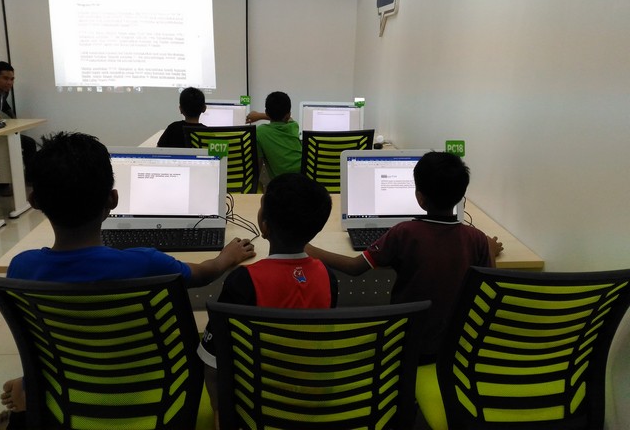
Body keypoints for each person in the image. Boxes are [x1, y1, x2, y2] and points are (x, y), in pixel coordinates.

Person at [0, 131, 256, 429]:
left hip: (68, 398)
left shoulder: (22, 268)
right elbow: (202, 274)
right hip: (163, 400)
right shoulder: (146, 263)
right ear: (113, 199)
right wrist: (226, 258)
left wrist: (29, 381)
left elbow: (40, 347)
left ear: (34, 201)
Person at [306, 151, 503, 364]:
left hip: (406, 344)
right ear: (461, 196)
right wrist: (489, 249)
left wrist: (310, 249)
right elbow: (490, 282)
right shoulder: (477, 239)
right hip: (454, 350)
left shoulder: (404, 232)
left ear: (420, 198)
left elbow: (355, 267)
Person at [198, 172, 337, 429]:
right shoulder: (328, 277)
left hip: (258, 402)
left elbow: (212, 363)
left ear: (264, 226)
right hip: (310, 398)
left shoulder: (243, 281)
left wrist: (220, 413)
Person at [0, 61, 37, 196]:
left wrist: (15, 118)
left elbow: (4, 105)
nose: (9, 83)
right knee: (0, 148)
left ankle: (30, 178)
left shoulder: (4, 92)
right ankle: (2, 185)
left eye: (12, 79)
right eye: (5, 78)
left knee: (29, 143)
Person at [245, 91, 301, 180]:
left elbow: (257, 168)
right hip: (303, 180)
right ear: (289, 114)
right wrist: (260, 115)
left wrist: (258, 116)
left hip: (281, 184)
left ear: (266, 112)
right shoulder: (294, 126)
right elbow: (289, 119)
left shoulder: (260, 132)